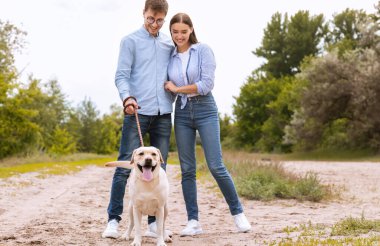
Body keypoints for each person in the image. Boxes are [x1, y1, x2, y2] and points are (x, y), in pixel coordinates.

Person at [164, 13, 252, 236]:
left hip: (205, 110)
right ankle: (193, 221)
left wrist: (177, 89)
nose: (179, 36)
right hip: (182, 113)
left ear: (191, 30)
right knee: (187, 170)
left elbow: (206, 84)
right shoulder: (170, 56)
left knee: (215, 165)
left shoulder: (203, 50)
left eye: (184, 31)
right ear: (171, 32)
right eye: (175, 32)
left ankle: (238, 213)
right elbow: (165, 84)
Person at [102, 0, 174, 239]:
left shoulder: (168, 43)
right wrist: (127, 98)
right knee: (126, 166)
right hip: (137, 112)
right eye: (150, 18)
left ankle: (154, 224)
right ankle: (113, 220)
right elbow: (121, 76)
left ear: (165, 18)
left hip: (163, 113)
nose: (155, 24)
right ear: (143, 14)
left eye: (160, 20)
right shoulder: (130, 41)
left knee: (158, 168)